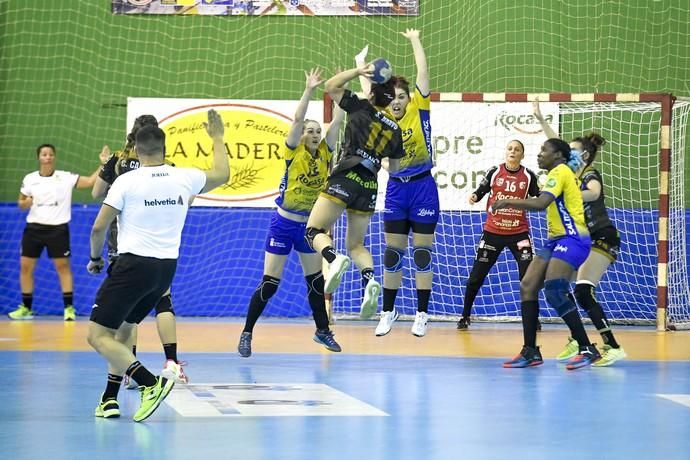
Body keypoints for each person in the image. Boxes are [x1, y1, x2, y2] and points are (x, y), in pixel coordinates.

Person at [86, 109, 228, 421]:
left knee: (97, 336)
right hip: (165, 271)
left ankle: (150, 384)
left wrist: (95, 259)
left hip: (132, 266)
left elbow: (98, 228)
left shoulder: (126, 181)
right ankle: (109, 399)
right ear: (165, 149)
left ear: (136, 149)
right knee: (123, 330)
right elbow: (223, 173)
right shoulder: (184, 176)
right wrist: (217, 138)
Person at [237, 68, 345, 358]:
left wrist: (338, 91)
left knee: (315, 282)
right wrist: (310, 89)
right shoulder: (292, 151)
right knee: (270, 283)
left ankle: (322, 330)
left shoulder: (325, 152)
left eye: (316, 132)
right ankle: (247, 332)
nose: (313, 134)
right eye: (309, 131)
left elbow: (338, 120)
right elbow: (298, 120)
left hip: (309, 227)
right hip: (284, 223)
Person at [92, 114, 188, 388]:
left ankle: (128, 371)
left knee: (125, 313)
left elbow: (97, 193)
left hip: (123, 244)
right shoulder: (168, 167)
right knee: (163, 302)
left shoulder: (117, 161)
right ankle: (172, 363)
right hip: (161, 246)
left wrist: (105, 167)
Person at [355, 30, 438, 338]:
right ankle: (389, 311)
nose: (397, 100)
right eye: (392, 97)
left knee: (421, 253)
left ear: (409, 98)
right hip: (396, 188)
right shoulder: (382, 115)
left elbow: (423, 72)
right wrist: (360, 63)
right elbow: (369, 92)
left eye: (402, 96)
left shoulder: (420, 108)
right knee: (392, 253)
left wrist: (415, 39)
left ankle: (422, 314)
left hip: (423, 187)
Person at [305, 65, 404, 321]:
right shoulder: (395, 129)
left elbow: (330, 87)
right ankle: (370, 280)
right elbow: (394, 169)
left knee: (313, 231)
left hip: (346, 174)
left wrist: (359, 69)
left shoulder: (361, 106)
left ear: (372, 93)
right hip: (370, 184)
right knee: (357, 244)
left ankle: (332, 258)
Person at [493, 138, 601, 370]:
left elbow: (542, 203)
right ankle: (530, 351)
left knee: (554, 289)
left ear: (559, 156)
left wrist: (507, 201)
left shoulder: (560, 171)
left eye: (545, 150)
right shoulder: (555, 173)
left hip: (574, 238)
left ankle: (586, 347)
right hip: (556, 240)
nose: (540, 154)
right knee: (528, 285)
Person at [533, 101, 626, 366]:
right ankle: (577, 338)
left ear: (584, 155)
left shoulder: (588, 173)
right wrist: (541, 120)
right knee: (560, 287)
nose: (566, 154)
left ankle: (612, 346)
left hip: (601, 237)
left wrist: (571, 194)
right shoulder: (568, 172)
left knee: (584, 291)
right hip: (579, 240)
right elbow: (557, 144)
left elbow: (594, 192)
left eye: (573, 151)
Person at [9, 144, 107, 321]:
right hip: (33, 229)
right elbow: (21, 203)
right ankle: (26, 308)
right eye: (44, 154)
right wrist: (26, 203)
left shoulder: (65, 177)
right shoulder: (30, 179)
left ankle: (69, 308)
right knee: (25, 267)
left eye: (50, 154)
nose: (47, 157)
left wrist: (104, 163)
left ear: (54, 157)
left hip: (58, 230)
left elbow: (91, 182)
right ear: (39, 158)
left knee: (63, 267)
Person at [456, 140, 540, 329]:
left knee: (528, 278)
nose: (513, 151)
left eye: (517, 149)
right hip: (493, 233)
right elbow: (481, 190)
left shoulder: (528, 176)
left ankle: (533, 318)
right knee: (476, 277)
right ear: (505, 152)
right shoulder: (495, 172)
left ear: (522, 155)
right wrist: (474, 197)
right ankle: (465, 315)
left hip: (519, 234)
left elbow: (540, 196)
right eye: (510, 148)